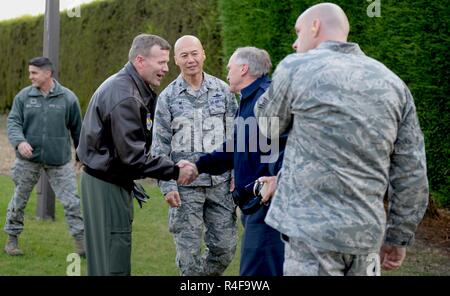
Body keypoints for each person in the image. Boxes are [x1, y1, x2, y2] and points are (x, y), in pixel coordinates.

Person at [254, 2, 429, 276]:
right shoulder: (393, 84)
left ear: (315, 26)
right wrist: (398, 236)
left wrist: (279, 83)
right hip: (366, 237)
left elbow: (267, 127)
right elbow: (411, 172)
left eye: (298, 33)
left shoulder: (296, 68)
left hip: (311, 237)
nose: (294, 43)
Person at [77, 34, 198, 276]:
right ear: (140, 60)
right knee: (113, 261)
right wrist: (175, 170)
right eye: (161, 62)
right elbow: (133, 158)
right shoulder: (126, 95)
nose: (166, 68)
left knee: (104, 259)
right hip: (106, 186)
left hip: (103, 181)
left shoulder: (128, 86)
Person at [190, 47, 287, 275]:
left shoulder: (265, 101)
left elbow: (282, 147)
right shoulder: (249, 100)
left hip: (267, 209)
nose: (226, 73)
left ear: (244, 69)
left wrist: (276, 180)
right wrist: (198, 166)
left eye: (230, 68)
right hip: (255, 207)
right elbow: (234, 149)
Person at [150, 35, 238, 276]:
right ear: (176, 60)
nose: (191, 60)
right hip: (185, 188)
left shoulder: (223, 91)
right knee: (188, 257)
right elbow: (160, 146)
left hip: (220, 185)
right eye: (184, 55)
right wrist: (168, 186)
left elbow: (236, 137)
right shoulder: (167, 98)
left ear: (204, 54)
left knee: (226, 247)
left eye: (195, 53)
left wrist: (236, 174)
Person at [5, 56, 85, 257]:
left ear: (48, 73)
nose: (30, 76)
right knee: (19, 200)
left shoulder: (68, 98)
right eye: (30, 72)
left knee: (72, 202)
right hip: (27, 161)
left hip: (59, 161)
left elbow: (78, 129)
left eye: (34, 72)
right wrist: (20, 142)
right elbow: (13, 122)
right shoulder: (23, 97)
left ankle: (82, 244)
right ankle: (11, 240)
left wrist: (81, 155)